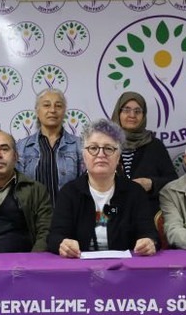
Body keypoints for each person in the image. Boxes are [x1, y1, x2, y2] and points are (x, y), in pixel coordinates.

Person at [47, 119, 158, 257]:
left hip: (124, 267)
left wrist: (149, 241)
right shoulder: (69, 193)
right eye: (93, 148)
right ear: (84, 155)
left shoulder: (135, 192)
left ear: (118, 156)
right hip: (80, 266)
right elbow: (54, 237)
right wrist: (63, 243)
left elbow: (150, 233)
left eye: (108, 148)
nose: (101, 154)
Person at [16, 88, 85, 206]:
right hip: (34, 215)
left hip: (70, 213)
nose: (52, 110)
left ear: (64, 111)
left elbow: (85, 185)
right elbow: (19, 190)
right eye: (46, 105)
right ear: (37, 111)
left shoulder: (79, 145)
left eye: (58, 106)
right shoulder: (22, 147)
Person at [110, 91, 177, 213]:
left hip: (147, 216)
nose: (132, 115)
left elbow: (173, 181)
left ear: (143, 115)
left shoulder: (155, 146)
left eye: (137, 111)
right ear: (118, 113)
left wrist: (151, 184)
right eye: (126, 110)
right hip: (112, 215)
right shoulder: (105, 144)